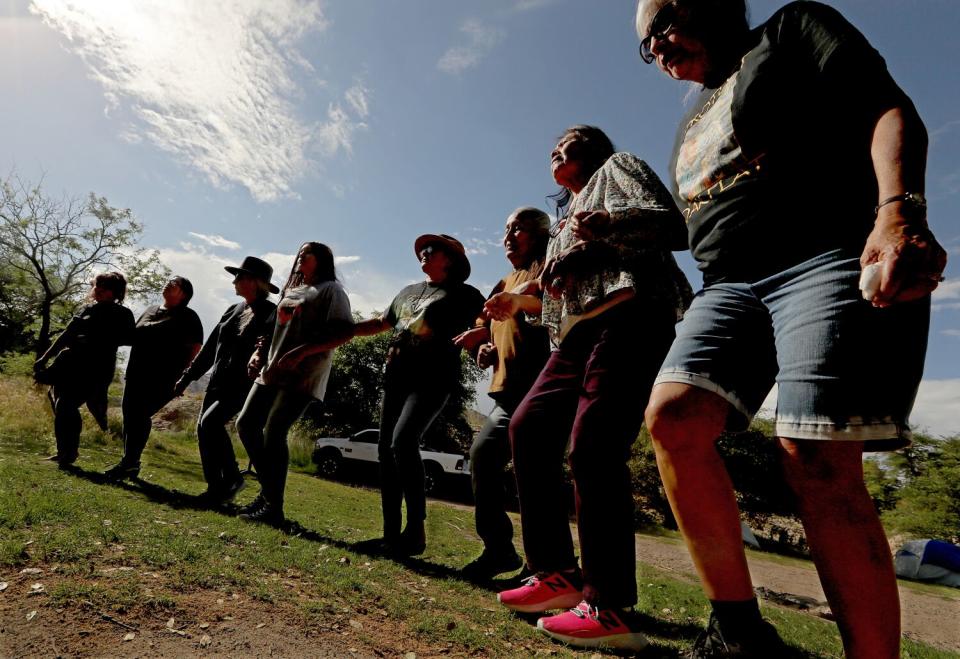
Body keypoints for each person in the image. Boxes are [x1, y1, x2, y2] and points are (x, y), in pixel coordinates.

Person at [634, 1, 948, 657]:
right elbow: (707, 212)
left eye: (662, 25)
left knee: (817, 457)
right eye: (645, 46)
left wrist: (898, 212)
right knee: (673, 417)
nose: (657, 48)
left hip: (820, 253)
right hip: (727, 284)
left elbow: (887, 109)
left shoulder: (792, 30)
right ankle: (739, 635)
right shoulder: (693, 116)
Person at [495, 125, 691, 652]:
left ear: (596, 148)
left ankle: (608, 605)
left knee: (593, 445)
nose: (557, 148)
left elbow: (672, 225)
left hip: (632, 314)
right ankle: (557, 572)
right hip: (575, 334)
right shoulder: (562, 221)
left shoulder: (618, 168)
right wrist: (523, 300)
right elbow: (561, 284)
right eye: (552, 145)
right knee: (529, 427)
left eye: (571, 140)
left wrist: (605, 229)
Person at [352, 234, 485, 555]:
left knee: (403, 441)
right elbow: (383, 323)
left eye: (431, 250)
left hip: (433, 378)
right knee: (386, 449)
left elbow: (485, 319)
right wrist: (345, 330)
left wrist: (482, 335)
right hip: (396, 377)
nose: (423, 254)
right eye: (422, 251)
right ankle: (390, 536)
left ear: (449, 259)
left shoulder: (465, 294)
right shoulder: (408, 292)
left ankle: (415, 533)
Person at [453, 207, 552, 579]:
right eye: (506, 229)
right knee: (481, 459)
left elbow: (553, 310)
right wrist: (481, 345)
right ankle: (499, 550)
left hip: (542, 388)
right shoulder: (504, 280)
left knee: (535, 476)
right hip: (507, 393)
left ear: (540, 234)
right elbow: (483, 324)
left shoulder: (545, 270)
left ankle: (542, 567)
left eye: (519, 228)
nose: (509, 236)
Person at [235, 242, 353, 525]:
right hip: (272, 370)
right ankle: (269, 493)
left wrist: (303, 352)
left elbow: (345, 332)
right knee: (246, 423)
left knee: (274, 431)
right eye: (299, 253)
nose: (300, 257)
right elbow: (273, 331)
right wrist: (259, 354)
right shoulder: (292, 291)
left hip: (303, 374)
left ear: (322, 260)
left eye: (307, 253)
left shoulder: (331, 291)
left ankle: (273, 507)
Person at [173, 256, 278, 505]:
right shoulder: (233, 309)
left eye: (240, 276)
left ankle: (235, 479)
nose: (235, 281)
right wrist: (188, 376)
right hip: (217, 381)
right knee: (203, 429)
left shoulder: (270, 312)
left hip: (243, 384)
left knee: (210, 423)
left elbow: (268, 349)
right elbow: (210, 348)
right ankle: (216, 489)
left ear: (254, 282)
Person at [105, 276, 203, 481]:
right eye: (168, 280)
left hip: (164, 376)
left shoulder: (188, 317)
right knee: (130, 415)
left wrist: (184, 376)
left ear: (184, 293)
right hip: (136, 372)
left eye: (174, 283)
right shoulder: (150, 310)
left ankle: (130, 463)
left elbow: (195, 348)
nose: (167, 283)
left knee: (139, 415)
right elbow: (132, 336)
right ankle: (130, 462)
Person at [34, 272, 135, 467]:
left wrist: (98, 339)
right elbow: (66, 335)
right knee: (59, 403)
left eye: (104, 288)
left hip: (96, 368)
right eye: (97, 286)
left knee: (66, 405)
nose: (98, 290)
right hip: (71, 364)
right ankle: (65, 451)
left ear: (114, 292)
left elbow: (130, 339)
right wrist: (45, 357)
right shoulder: (86, 309)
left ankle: (69, 454)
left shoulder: (123, 314)